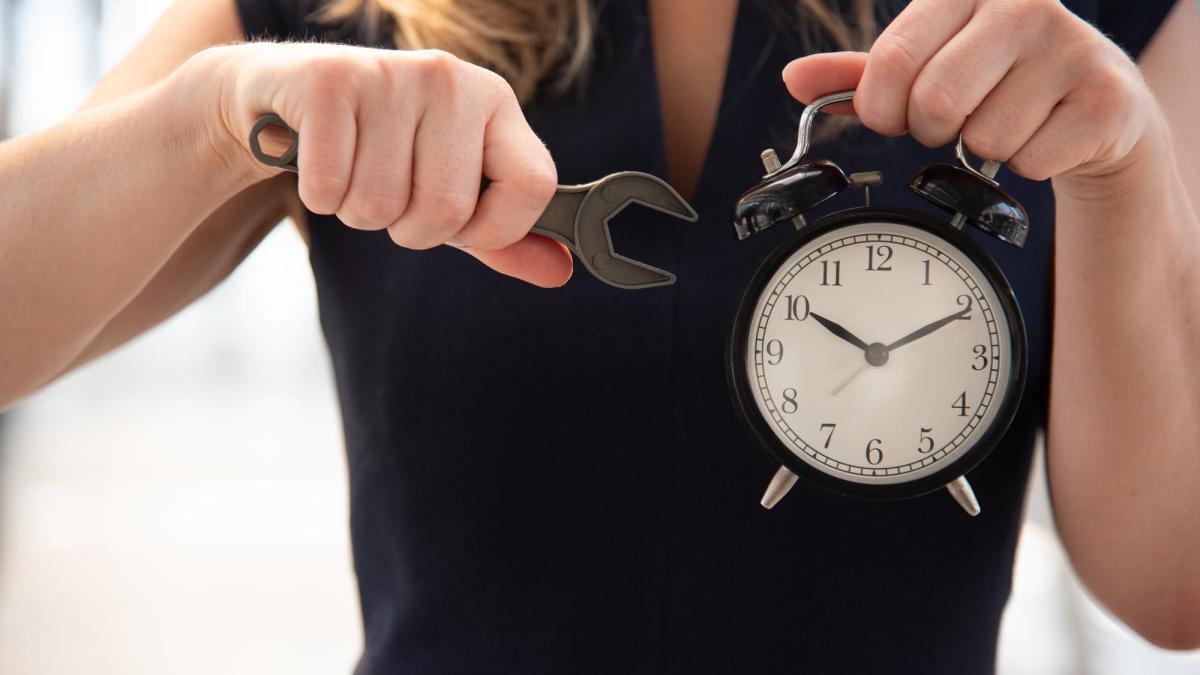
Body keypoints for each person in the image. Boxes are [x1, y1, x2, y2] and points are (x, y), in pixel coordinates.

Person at [1, 0, 1197, 671]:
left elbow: (1174, 584)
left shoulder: (1097, 30)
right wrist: (212, 118)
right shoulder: (339, 9)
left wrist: (1126, 159)